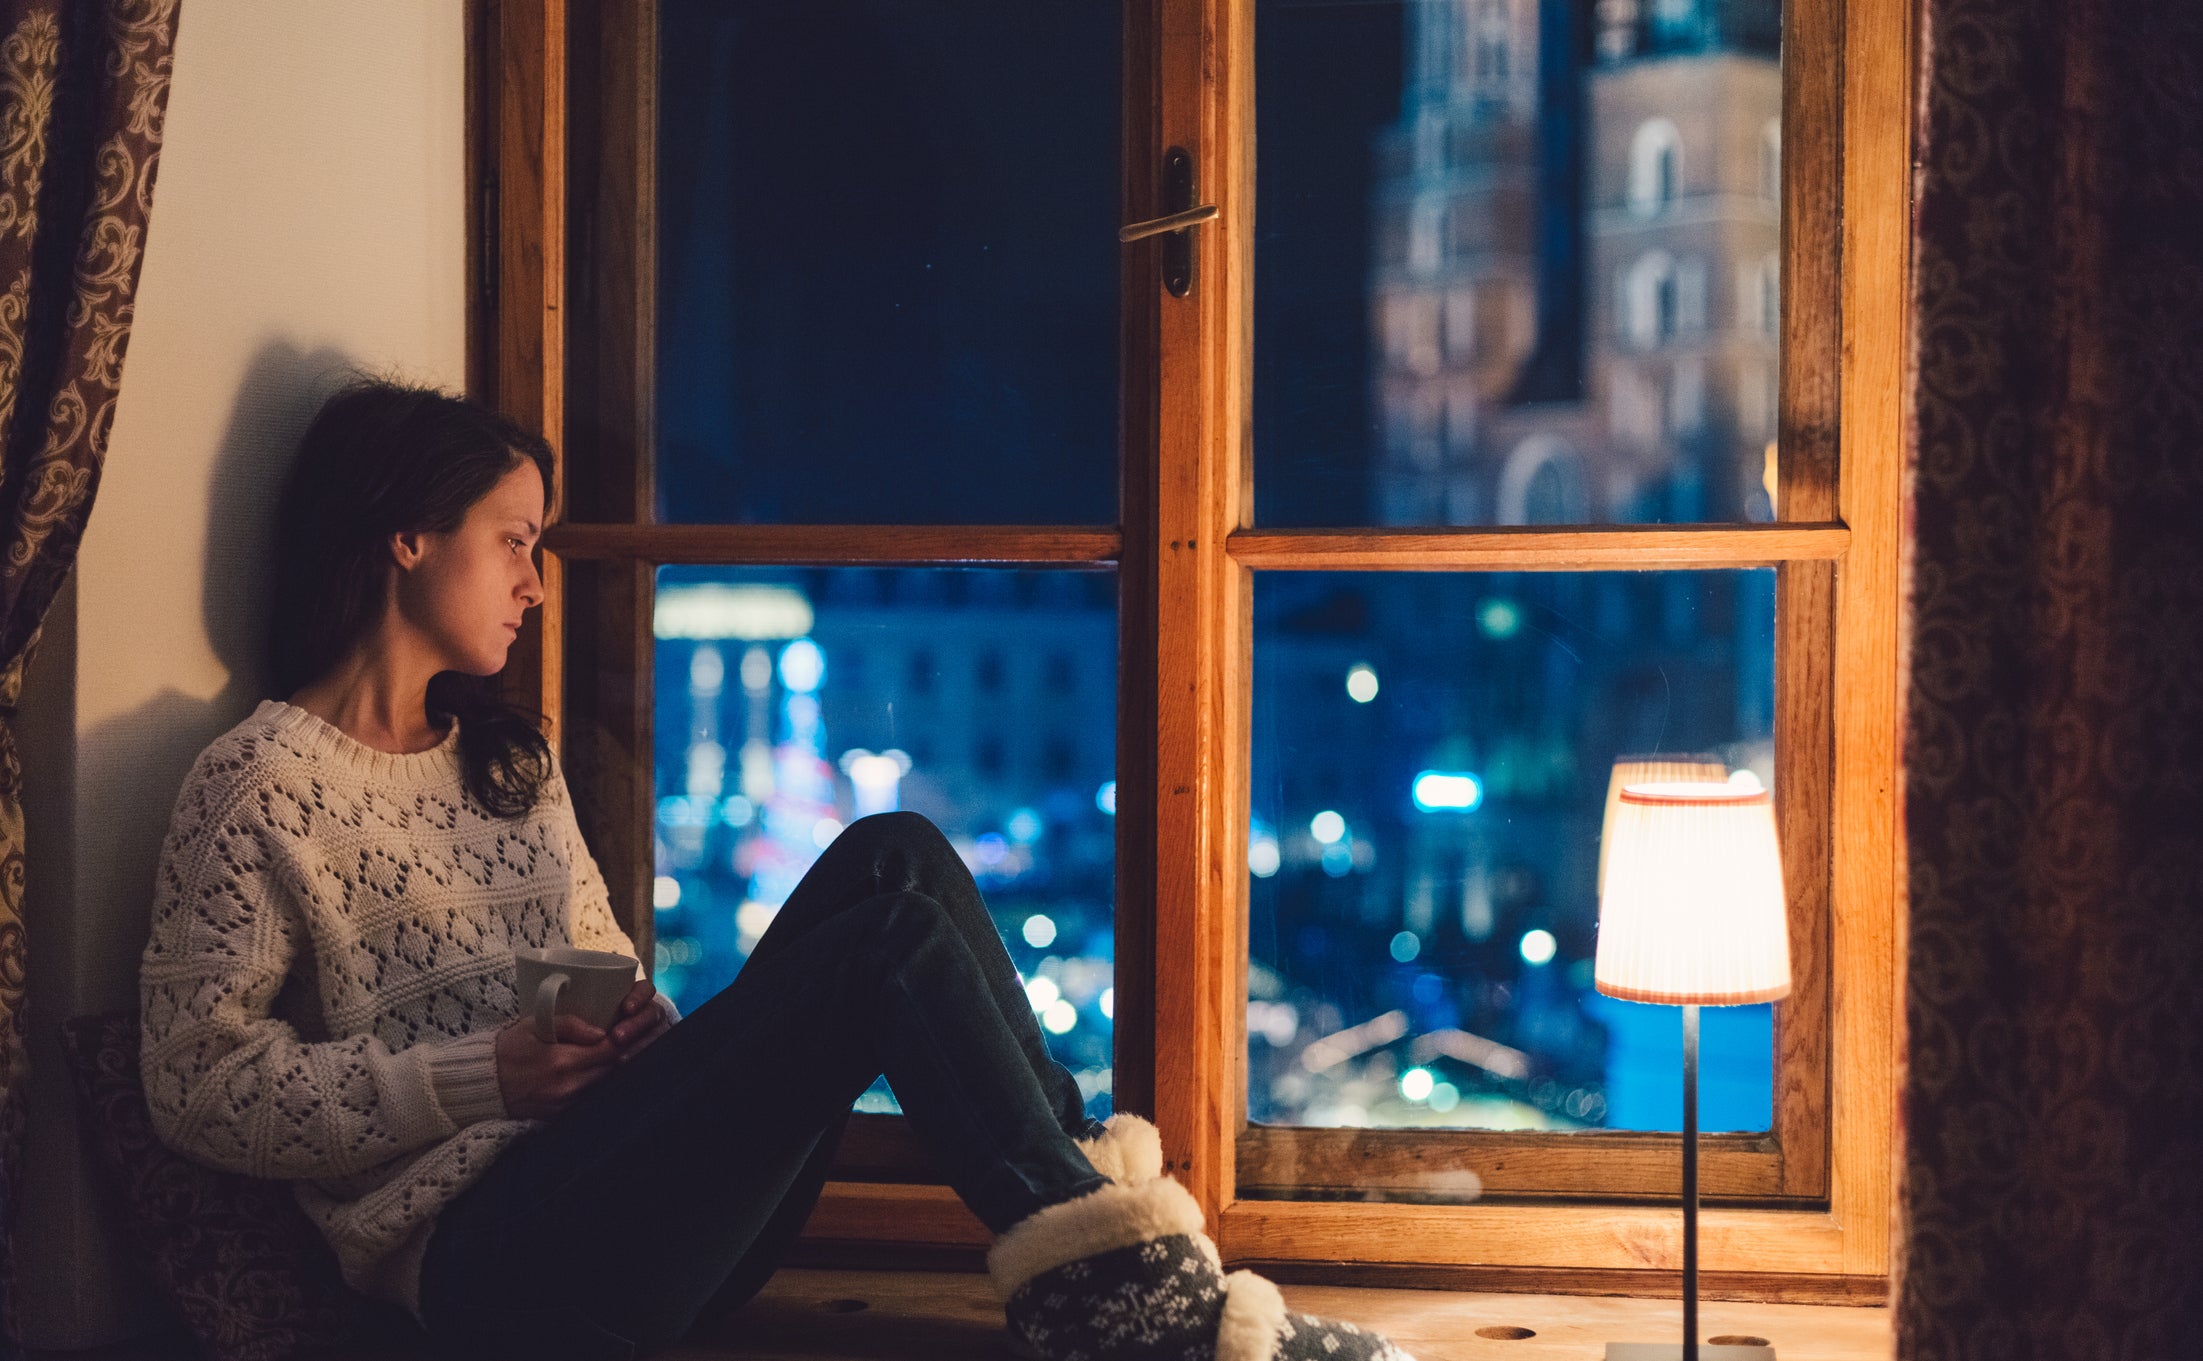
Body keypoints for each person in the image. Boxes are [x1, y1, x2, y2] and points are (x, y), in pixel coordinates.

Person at [137, 378, 1415, 1361]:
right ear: (406, 538)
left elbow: (604, 983)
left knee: (892, 853)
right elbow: (194, 1087)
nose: (534, 580)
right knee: (882, 950)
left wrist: (636, 1030)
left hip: (640, 1205)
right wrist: (480, 1075)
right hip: (490, 1269)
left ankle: (1126, 1261)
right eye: (514, 539)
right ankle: (1133, 1304)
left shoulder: (505, 763)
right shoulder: (257, 786)